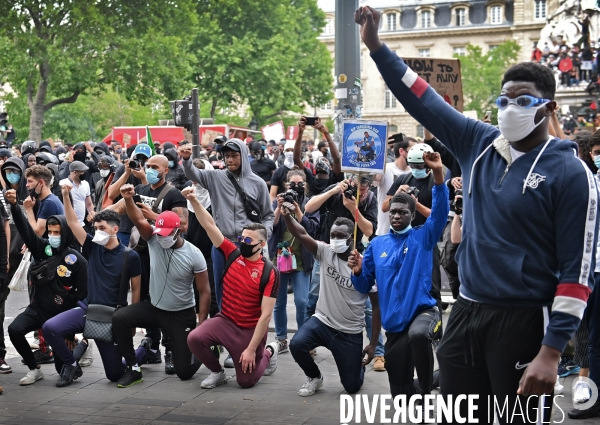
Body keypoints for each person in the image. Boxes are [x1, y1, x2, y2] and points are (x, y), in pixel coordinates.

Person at [355, 5, 598, 421]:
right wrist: (377, 46)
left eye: (522, 100)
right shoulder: (477, 142)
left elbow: (577, 272)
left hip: (524, 320)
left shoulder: (570, 171)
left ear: (548, 108)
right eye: (503, 100)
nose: (509, 108)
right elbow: (423, 97)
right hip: (467, 311)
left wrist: (552, 350)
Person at [349, 151, 448, 400]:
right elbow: (363, 286)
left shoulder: (423, 237)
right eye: (393, 211)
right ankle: (434, 381)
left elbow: (439, 212)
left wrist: (437, 173)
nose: (396, 215)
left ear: (412, 216)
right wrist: (358, 271)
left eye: (403, 212)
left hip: (423, 312)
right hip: (394, 325)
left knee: (418, 335)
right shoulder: (376, 245)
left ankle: (426, 389)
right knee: (400, 395)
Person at [42, 193, 144, 387]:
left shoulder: (130, 256)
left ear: (115, 229)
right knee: (50, 328)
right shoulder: (93, 247)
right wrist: (65, 195)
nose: (97, 231)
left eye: (102, 228)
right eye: (95, 228)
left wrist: (133, 321)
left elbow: (136, 290)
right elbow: (72, 223)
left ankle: (142, 351)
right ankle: (72, 365)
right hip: (89, 309)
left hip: (113, 316)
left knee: (114, 375)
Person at [112, 186, 209, 388]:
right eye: (160, 233)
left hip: (181, 314)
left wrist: (202, 323)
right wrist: (128, 199)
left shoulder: (194, 254)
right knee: (120, 318)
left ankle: (206, 348)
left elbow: (204, 291)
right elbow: (138, 220)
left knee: (184, 373)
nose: (162, 237)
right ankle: (133, 368)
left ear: (177, 230)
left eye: (166, 234)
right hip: (155, 308)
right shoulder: (154, 239)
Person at [185, 187, 280, 389]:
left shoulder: (269, 272)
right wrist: (194, 201)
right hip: (226, 321)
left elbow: (265, 316)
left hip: (250, 330)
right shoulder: (233, 253)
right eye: (241, 238)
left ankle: (269, 351)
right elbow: (210, 226)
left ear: (262, 244)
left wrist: (252, 348)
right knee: (194, 338)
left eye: (248, 240)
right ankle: (217, 373)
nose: (242, 242)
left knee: (245, 382)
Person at [283, 212, 380, 397]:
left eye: (340, 236)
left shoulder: (365, 265)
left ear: (351, 238)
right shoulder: (326, 252)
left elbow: (376, 306)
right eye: (333, 236)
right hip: (323, 321)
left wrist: (373, 344)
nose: (335, 240)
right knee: (296, 344)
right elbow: (301, 234)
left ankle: (353, 366)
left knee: (351, 387)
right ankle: (314, 377)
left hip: (349, 332)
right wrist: (287, 214)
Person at [109, 154, 189, 371]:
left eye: (154, 167)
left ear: (165, 171)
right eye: (148, 166)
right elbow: (118, 207)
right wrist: (100, 218)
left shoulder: (174, 195)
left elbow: (183, 225)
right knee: (146, 299)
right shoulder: (142, 191)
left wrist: (155, 216)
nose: (149, 169)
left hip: (165, 255)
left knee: (165, 301)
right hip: (143, 254)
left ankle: (170, 348)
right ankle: (152, 346)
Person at [180, 138, 274, 311]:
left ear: (243, 156)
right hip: (222, 244)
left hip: (248, 245)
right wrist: (186, 160)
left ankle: (245, 327)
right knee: (222, 288)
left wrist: (263, 235)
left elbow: (268, 215)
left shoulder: (258, 183)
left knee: (247, 290)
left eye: (234, 156)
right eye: (226, 156)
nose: (229, 160)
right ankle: (225, 325)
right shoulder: (215, 177)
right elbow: (193, 174)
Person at [5, 188, 87, 386]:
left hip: (61, 317)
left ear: (65, 233)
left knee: (65, 369)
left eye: (56, 232)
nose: (52, 236)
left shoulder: (77, 260)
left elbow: (82, 296)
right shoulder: (42, 248)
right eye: (50, 232)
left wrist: (70, 332)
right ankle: (34, 369)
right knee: (14, 329)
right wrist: (16, 206)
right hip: (39, 309)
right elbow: (25, 230)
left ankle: (82, 345)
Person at [268, 170, 319, 353]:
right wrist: (278, 208)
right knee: (279, 302)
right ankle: (281, 339)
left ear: (305, 184)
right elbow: (270, 227)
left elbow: (311, 228)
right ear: (286, 185)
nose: (296, 187)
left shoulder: (309, 204)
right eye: (292, 184)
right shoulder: (277, 202)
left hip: (301, 260)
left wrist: (297, 209)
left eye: (299, 184)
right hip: (279, 259)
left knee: (302, 301)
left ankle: (302, 339)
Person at [107, 143, 151, 246]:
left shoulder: (152, 171)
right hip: (124, 226)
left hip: (145, 225)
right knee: (124, 259)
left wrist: (143, 178)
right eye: (137, 158)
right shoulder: (123, 169)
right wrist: (126, 173)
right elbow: (111, 195)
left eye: (144, 159)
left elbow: (151, 196)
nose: (140, 161)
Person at [374, 135, 415, 236]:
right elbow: (374, 178)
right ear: (402, 151)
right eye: (412, 150)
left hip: (408, 233)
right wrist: (382, 150)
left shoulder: (415, 172)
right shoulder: (387, 168)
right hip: (385, 231)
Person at [294, 117, 343, 197]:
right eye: (318, 160)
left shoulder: (334, 179)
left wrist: (326, 133)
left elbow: (337, 159)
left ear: (331, 167)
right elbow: (296, 159)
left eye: (324, 160)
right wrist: (300, 133)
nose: (321, 160)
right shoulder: (310, 179)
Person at [23, 165, 64, 237]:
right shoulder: (47, 200)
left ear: (41, 183)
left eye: (30, 181)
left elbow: (37, 233)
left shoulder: (50, 202)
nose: (27, 185)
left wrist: (28, 209)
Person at [64, 161, 93, 227]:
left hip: (81, 224)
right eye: (82, 172)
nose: (84, 174)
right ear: (75, 172)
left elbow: (89, 203)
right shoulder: (64, 183)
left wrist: (91, 213)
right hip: (67, 224)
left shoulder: (85, 184)